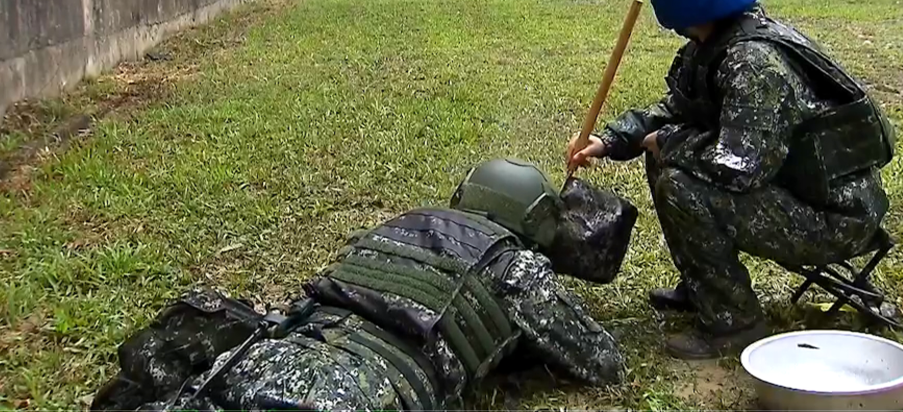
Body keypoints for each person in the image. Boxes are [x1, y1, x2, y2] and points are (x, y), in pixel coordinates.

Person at [566, 0, 896, 360]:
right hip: (801, 193)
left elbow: (739, 167)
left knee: (681, 185)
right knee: (666, 160)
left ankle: (734, 321)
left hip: (833, 218)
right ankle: (704, 285)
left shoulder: (754, 64)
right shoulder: (716, 45)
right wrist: (611, 140)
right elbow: (677, 109)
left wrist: (666, 141)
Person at [91, 158, 638, 412]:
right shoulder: (514, 268)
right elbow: (601, 362)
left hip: (278, 346)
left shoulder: (405, 224)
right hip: (361, 387)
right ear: (533, 218)